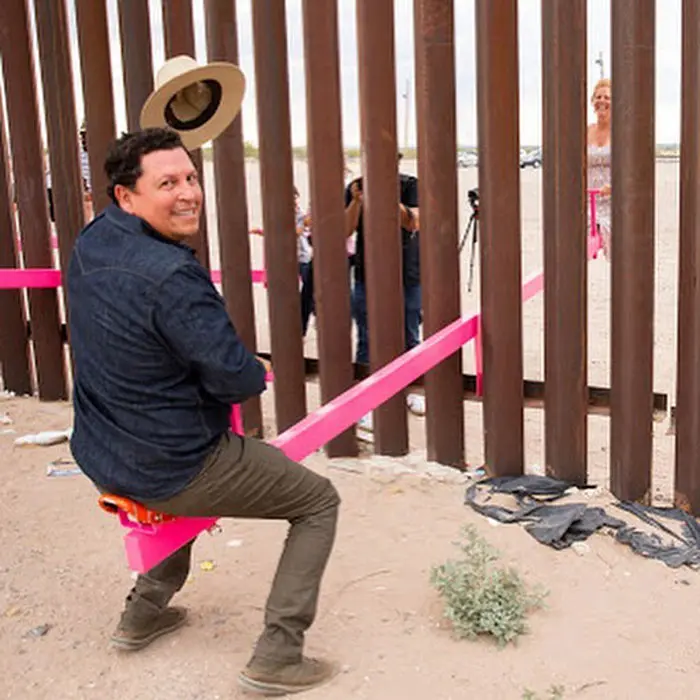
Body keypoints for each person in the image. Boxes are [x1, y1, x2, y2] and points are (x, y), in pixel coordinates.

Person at [66, 128, 339, 696]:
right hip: (169, 460)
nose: (188, 193)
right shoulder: (172, 276)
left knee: (191, 495)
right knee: (317, 502)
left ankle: (141, 617)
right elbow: (235, 378)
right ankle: (279, 655)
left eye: (191, 178)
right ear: (126, 195)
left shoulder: (92, 241)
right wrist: (250, 365)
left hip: (102, 447)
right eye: (167, 183)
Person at [345, 156, 425, 421]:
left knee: (409, 334)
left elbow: (414, 222)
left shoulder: (410, 185)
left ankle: (412, 390)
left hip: (408, 274)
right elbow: (345, 230)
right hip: (368, 273)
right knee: (367, 337)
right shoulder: (356, 187)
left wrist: (387, 196)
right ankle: (365, 401)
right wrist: (358, 201)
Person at [587, 78, 612, 260]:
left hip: (613, 199)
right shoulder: (586, 131)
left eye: (607, 97)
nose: (602, 101)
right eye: (598, 97)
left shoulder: (620, 131)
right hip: (589, 198)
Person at [294, 186, 315, 336]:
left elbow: (303, 229)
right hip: (297, 257)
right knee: (306, 292)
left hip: (305, 256)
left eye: (295, 197)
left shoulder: (300, 213)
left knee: (308, 290)